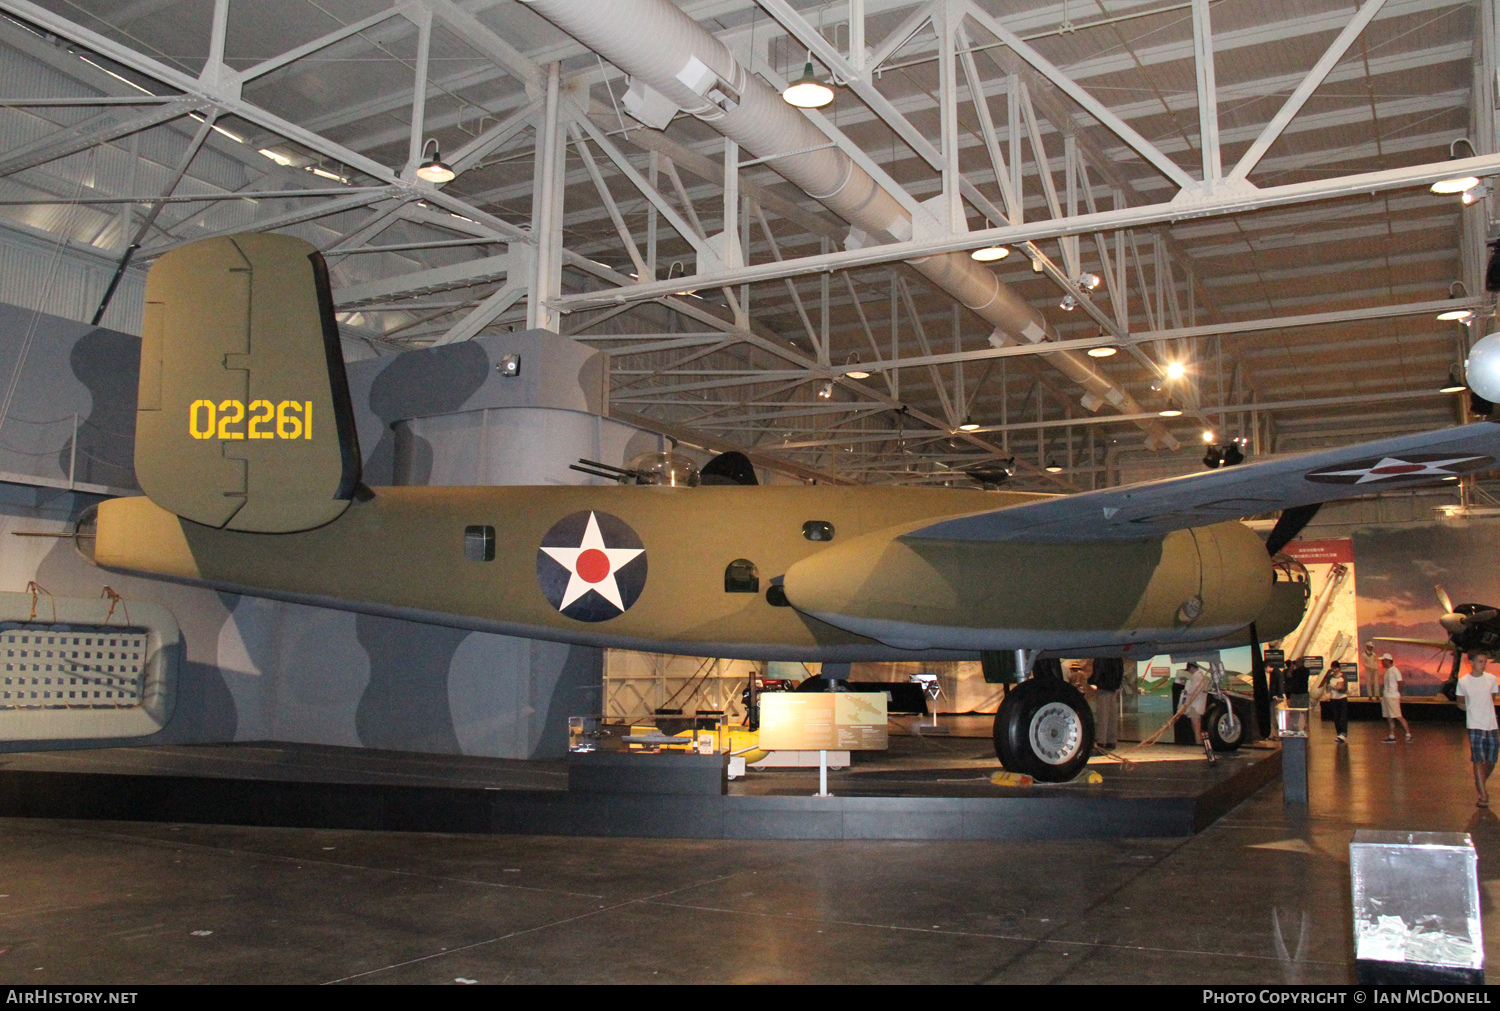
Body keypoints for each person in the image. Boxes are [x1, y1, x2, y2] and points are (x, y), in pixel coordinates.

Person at [1453, 652, 1500, 807]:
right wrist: (1473, 710)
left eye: (1485, 662)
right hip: (1475, 725)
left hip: (1491, 724)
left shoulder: (1492, 679)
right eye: (1480, 661)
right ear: (1471, 662)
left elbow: (1491, 698)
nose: (1483, 664)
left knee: (1492, 759)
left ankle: (1480, 782)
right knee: (1478, 759)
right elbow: (1460, 703)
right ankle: (1483, 794)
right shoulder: (1463, 682)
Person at [1181, 661, 1216, 764]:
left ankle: (1199, 745)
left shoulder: (1197, 677)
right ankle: (1199, 744)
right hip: (1196, 704)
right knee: (1196, 724)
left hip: (1195, 705)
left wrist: (1186, 692)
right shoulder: (1200, 677)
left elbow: (1194, 690)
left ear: (1192, 668)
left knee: (1196, 725)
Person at [1089, 657, 1124, 750]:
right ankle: (1111, 740)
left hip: (1103, 686)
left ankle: (1101, 741)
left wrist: (1092, 681)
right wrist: (1117, 683)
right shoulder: (1117, 656)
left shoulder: (1102, 655)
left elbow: (1099, 669)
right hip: (1113, 687)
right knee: (1112, 714)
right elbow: (1121, 670)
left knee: (1102, 715)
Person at [1378, 652, 1412, 743]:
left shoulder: (1394, 670)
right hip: (1387, 696)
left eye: (1383, 660)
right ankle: (1392, 735)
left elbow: (1400, 683)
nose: (1382, 662)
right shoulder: (1388, 671)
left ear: (1388, 661)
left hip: (1392, 696)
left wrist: (1398, 693)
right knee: (1389, 717)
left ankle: (1408, 734)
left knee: (1398, 716)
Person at [1325, 661, 1349, 743]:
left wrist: (1339, 688)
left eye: (1335, 668)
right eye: (1333, 668)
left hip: (1342, 698)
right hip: (1333, 698)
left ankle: (1343, 733)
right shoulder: (1330, 677)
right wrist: (1330, 688)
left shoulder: (1343, 676)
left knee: (1343, 716)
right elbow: (1327, 688)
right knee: (1336, 717)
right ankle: (1339, 734)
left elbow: (1345, 688)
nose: (1334, 670)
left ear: (1339, 668)